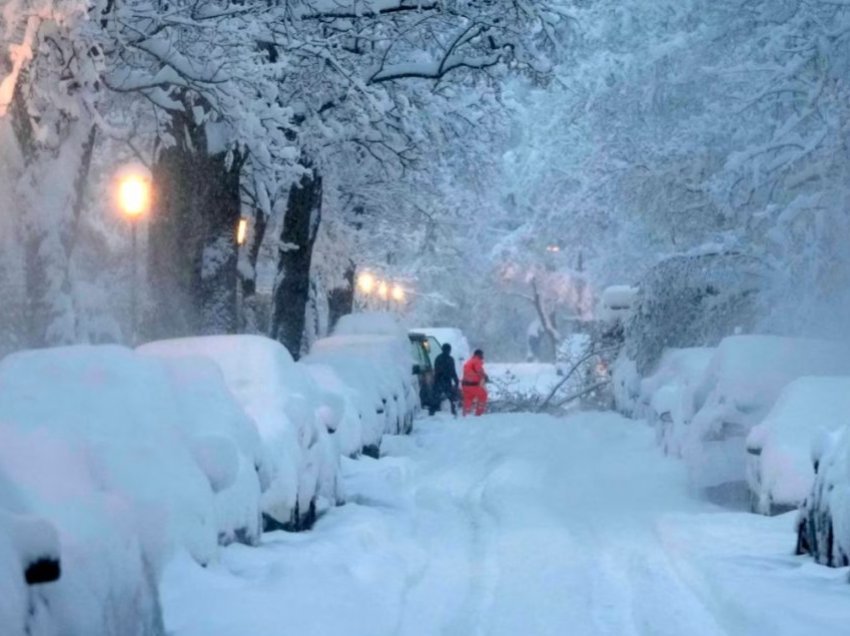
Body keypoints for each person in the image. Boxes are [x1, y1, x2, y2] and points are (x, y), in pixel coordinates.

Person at [431, 343, 459, 416]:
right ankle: (453, 413)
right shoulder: (450, 359)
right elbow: (453, 371)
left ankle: (433, 413)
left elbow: (436, 370)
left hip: (438, 380)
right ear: (449, 350)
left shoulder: (438, 358)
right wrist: (456, 381)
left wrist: (435, 380)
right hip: (446, 381)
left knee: (436, 398)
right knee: (451, 397)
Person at [461, 349, 489, 416]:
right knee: (483, 395)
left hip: (465, 385)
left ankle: (465, 415)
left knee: (468, 399)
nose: (483, 356)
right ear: (478, 355)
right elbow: (479, 371)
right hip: (472, 385)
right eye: (482, 354)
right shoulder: (476, 361)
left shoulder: (469, 361)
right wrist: (486, 377)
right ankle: (479, 413)